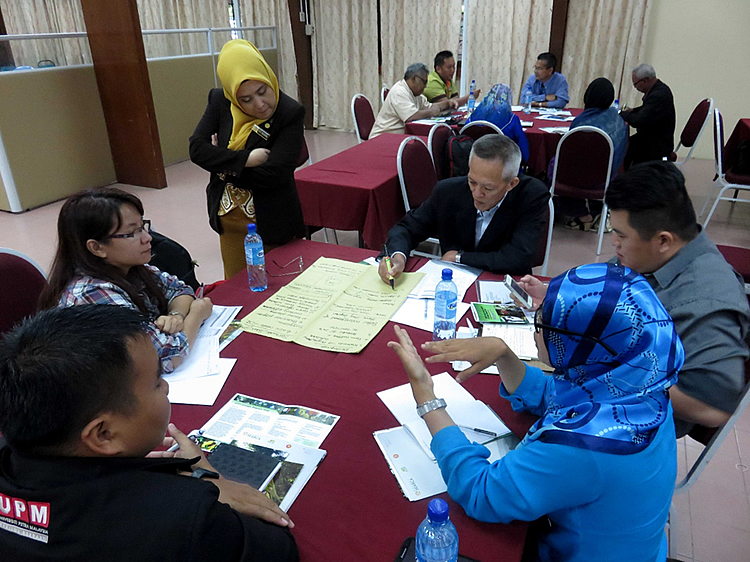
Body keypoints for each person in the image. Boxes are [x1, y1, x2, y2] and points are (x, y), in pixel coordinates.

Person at [389, 262, 682, 561]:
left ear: (578, 344)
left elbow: (482, 492)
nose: (534, 328)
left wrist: (426, 396)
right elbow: (555, 395)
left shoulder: (583, 445)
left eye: (543, 323)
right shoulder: (638, 379)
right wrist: (504, 354)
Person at [0, 305, 298, 561]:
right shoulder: (186, 518)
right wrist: (210, 482)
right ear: (104, 435)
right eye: (157, 381)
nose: (167, 387)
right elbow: (280, 549)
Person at [520, 162, 750, 438]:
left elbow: (712, 410)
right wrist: (558, 298)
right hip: (589, 388)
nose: (614, 244)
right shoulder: (648, 254)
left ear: (663, 240)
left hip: (626, 428)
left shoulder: (707, 301)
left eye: (620, 235)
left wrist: (603, 375)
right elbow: (606, 295)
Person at [38, 187, 212, 373]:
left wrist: (176, 316)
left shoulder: (128, 266)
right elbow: (163, 357)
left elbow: (179, 290)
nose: (147, 238)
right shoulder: (91, 293)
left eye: (143, 227)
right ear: (97, 247)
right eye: (132, 233)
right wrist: (197, 313)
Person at [190, 39, 305, 279]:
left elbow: (275, 173)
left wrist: (222, 163)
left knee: (276, 288)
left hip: (272, 220)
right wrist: (247, 159)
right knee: (236, 287)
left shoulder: (289, 112)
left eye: (262, 92)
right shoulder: (220, 101)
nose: (260, 104)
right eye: (246, 99)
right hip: (229, 221)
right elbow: (197, 150)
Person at [378, 134, 549, 283]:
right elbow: (406, 228)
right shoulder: (448, 191)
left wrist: (459, 257)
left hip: (504, 285)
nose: (477, 193)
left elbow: (519, 257)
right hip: (453, 283)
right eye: (472, 182)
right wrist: (397, 255)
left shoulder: (531, 195)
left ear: (511, 183)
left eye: (488, 188)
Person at [553, 77, 628, 230]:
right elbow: (620, 153)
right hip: (604, 177)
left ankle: (580, 212)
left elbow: (570, 159)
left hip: (572, 178)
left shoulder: (580, 123)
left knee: (553, 165)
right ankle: (597, 210)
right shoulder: (618, 120)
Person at [370, 63, 458, 138]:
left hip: (397, 137)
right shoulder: (399, 91)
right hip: (382, 138)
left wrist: (448, 103)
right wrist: (431, 112)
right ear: (413, 79)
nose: (425, 86)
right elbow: (410, 117)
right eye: (424, 82)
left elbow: (431, 106)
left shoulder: (415, 93)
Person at [620, 64, 675, 169]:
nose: (635, 87)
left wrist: (621, 114)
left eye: (635, 84)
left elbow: (638, 120)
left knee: (624, 148)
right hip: (652, 137)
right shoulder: (659, 89)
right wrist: (633, 110)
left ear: (645, 81)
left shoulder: (658, 95)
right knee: (624, 144)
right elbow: (648, 110)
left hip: (656, 146)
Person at [465, 83, 530, 164]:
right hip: (502, 164)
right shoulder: (511, 119)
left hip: (473, 162)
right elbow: (523, 151)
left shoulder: (473, 117)